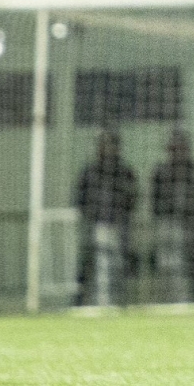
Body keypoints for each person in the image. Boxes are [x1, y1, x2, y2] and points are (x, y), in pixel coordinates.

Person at [76, 128, 138, 307]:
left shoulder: (125, 172)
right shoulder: (90, 172)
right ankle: (99, 303)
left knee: (118, 266)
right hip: (97, 226)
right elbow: (80, 199)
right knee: (99, 266)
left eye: (111, 144)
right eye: (104, 144)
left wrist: (122, 216)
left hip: (120, 227)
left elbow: (132, 198)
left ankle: (120, 303)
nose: (107, 148)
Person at [150, 128, 194, 302]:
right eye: (174, 147)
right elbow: (155, 202)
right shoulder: (161, 171)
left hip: (191, 225)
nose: (177, 151)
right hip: (168, 225)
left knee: (193, 267)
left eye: (181, 146)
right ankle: (169, 302)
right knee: (168, 268)